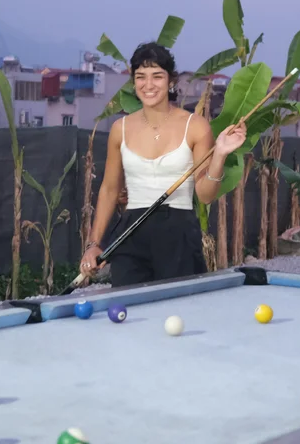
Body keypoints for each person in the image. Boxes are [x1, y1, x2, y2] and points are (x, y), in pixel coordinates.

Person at [80, 42, 247, 285]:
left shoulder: (196, 126)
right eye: (141, 77)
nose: (148, 85)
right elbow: (109, 189)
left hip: (179, 233)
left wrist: (220, 154)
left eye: (157, 76)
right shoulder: (119, 129)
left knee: (179, 304)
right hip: (132, 231)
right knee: (130, 304)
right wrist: (93, 244)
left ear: (171, 81)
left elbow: (205, 195)